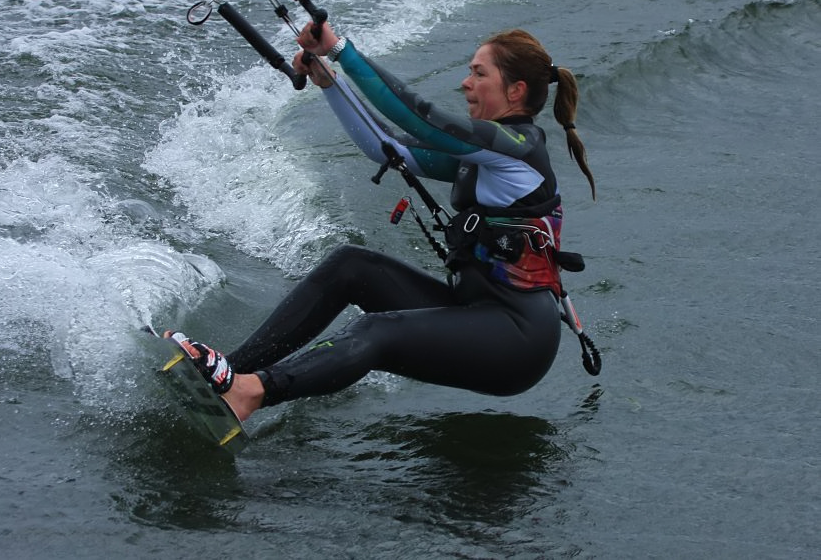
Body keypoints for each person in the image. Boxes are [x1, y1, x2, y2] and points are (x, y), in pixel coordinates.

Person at [168, 22, 596, 424]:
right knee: (351, 266)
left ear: (515, 90)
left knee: (377, 329)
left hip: (517, 340)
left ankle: (250, 394)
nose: (466, 83)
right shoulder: (485, 157)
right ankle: (229, 374)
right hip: (475, 310)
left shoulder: (517, 150)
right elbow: (386, 147)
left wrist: (339, 50)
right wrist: (330, 83)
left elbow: (420, 118)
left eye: (479, 74)